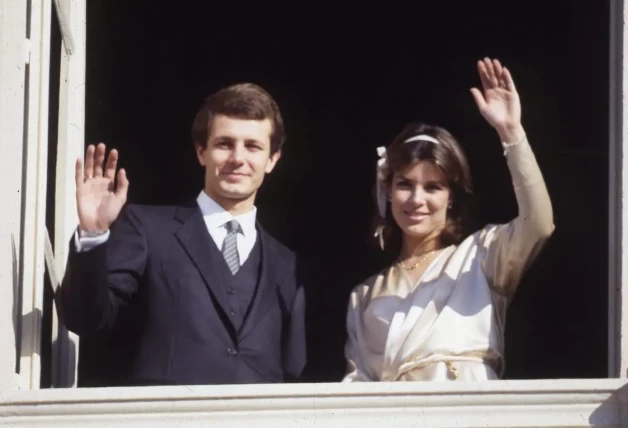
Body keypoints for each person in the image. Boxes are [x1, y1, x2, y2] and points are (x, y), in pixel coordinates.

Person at [57, 83, 307, 385]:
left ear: (272, 159)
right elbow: (86, 320)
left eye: (253, 146)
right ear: (201, 151)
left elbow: (293, 369)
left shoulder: (286, 263)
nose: (237, 158)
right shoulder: (148, 228)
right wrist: (93, 233)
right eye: (224, 144)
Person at [343, 58, 554, 382]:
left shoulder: (481, 257)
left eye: (433, 187)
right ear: (387, 190)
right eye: (404, 184)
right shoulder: (365, 294)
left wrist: (511, 133)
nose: (416, 200)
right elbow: (356, 388)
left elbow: (538, 223)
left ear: (451, 196)